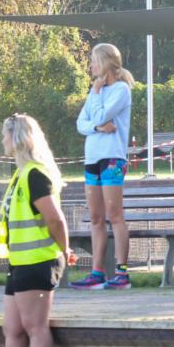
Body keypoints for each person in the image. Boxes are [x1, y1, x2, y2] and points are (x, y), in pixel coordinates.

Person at [0, 114, 74, 347]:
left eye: (5, 135)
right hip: (18, 262)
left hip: (38, 261)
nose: (2, 141)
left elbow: (55, 219)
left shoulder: (35, 174)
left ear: (17, 138)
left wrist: (64, 250)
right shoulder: (20, 174)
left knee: (35, 327)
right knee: (13, 328)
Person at [70, 43, 134, 290]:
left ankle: (122, 273)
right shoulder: (94, 91)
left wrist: (96, 104)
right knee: (96, 217)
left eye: (94, 61)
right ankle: (97, 272)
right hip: (92, 159)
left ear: (106, 63)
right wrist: (97, 128)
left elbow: (99, 115)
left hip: (112, 159)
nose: (91, 66)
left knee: (114, 216)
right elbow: (82, 124)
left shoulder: (121, 90)